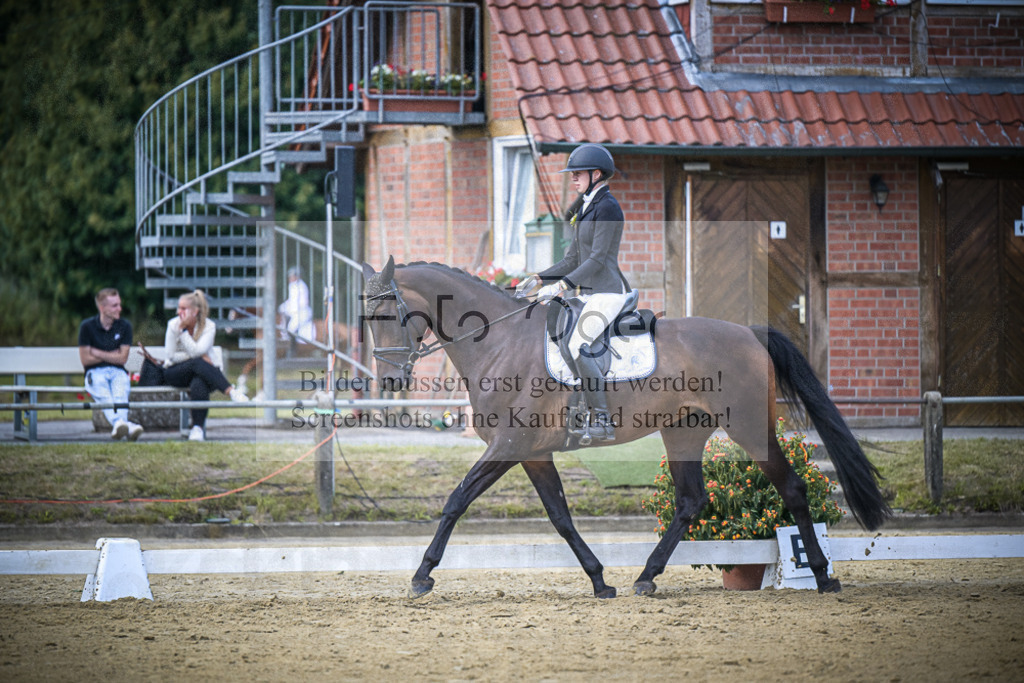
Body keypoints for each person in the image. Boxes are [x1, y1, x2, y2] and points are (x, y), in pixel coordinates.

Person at [535, 143, 633, 442]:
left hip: (607, 292)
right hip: (589, 293)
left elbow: (597, 259)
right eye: (572, 174)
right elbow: (572, 259)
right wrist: (538, 277)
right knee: (561, 337)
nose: (573, 179)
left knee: (578, 344)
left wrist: (562, 285)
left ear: (596, 173)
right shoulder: (586, 205)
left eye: (578, 174)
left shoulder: (608, 207)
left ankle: (602, 420)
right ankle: (576, 406)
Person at [144, 290, 249, 442]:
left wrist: (195, 353)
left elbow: (197, 352)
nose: (179, 312)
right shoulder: (173, 325)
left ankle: (197, 429)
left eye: (183, 308)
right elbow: (171, 355)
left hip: (204, 374)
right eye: (179, 308)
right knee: (197, 362)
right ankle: (231, 391)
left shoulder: (209, 326)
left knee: (199, 383)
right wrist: (182, 332)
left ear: (195, 311)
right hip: (175, 372)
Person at [79, 288, 143, 441]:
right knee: (103, 393)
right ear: (102, 308)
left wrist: (97, 352)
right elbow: (85, 360)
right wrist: (112, 354)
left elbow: (122, 359)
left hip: (118, 371)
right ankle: (123, 424)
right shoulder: (87, 327)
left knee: (121, 392)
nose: (119, 309)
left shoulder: (124, 326)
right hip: (94, 373)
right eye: (114, 305)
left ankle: (120, 425)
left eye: (119, 304)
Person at [278, 266, 315, 344]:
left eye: (292, 276)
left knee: (291, 328)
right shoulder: (292, 286)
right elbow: (291, 300)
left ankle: (292, 346)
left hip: (302, 312)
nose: (290, 278)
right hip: (295, 311)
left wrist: (288, 308)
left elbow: (302, 302)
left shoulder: (301, 286)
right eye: (290, 277)